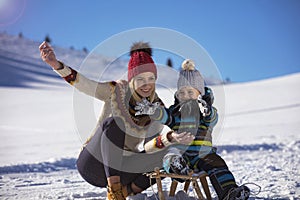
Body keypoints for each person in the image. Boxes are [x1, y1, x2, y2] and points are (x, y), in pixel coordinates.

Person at [39, 41, 194, 200]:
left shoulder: (156, 107)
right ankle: (114, 191)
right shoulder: (116, 91)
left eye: (150, 78)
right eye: (140, 79)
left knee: (168, 155)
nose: (146, 85)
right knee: (114, 123)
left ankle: (126, 192)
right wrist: (57, 65)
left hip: (124, 167)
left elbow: (149, 147)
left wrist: (170, 139)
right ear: (132, 79)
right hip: (93, 163)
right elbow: (86, 85)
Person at [161, 59, 251, 200]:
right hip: (181, 153)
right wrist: (153, 111)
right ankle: (178, 167)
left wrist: (208, 110)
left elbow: (213, 118)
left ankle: (229, 192)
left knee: (218, 164)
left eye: (191, 93)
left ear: (200, 94)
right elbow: (164, 116)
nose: (186, 96)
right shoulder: (176, 112)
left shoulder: (205, 113)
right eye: (182, 93)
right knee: (170, 155)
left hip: (203, 155)